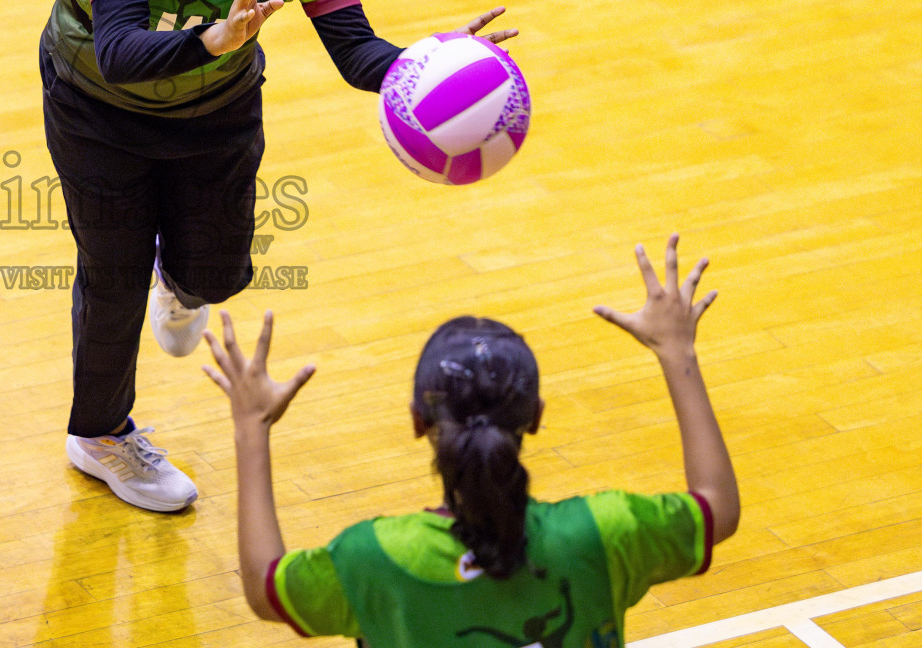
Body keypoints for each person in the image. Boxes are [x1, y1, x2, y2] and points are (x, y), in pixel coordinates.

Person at [40, 0, 515, 512]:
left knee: (218, 274)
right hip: (100, 109)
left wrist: (435, 63)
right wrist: (208, 40)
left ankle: (182, 281)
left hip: (216, 111)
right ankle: (99, 435)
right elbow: (120, 50)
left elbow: (356, 51)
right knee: (113, 271)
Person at [203, 234, 739, 647]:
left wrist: (252, 429)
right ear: (535, 419)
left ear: (417, 422)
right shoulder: (602, 533)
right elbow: (717, 509)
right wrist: (677, 352)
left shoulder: (376, 558)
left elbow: (265, 587)